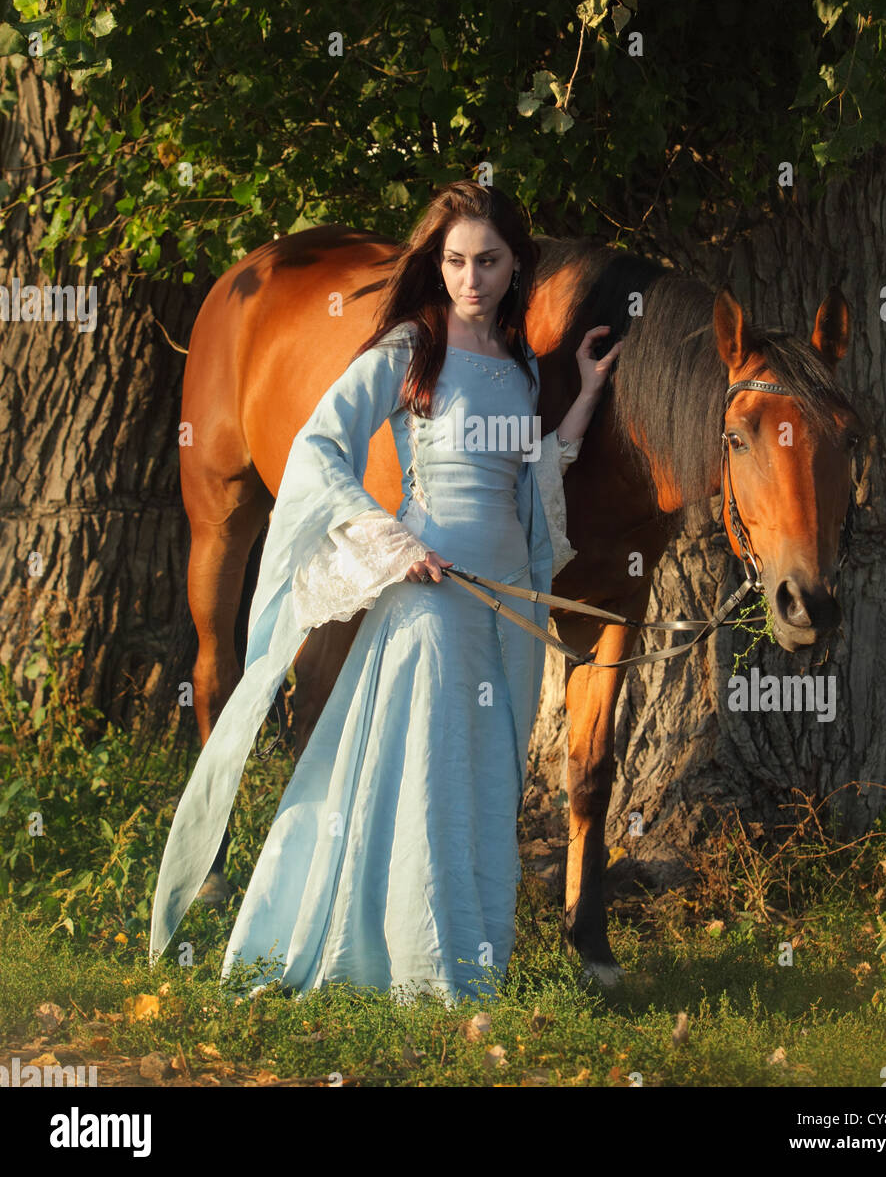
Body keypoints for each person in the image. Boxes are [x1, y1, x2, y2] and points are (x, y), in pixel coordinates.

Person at [149, 179, 620, 1005]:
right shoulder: (411, 349)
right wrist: (391, 541)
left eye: (489, 261)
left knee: (484, 772)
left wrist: (580, 395)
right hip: (431, 594)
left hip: (504, 604)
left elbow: (530, 477)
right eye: (455, 261)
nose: (470, 278)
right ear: (437, 265)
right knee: (431, 771)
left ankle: (472, 958)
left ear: (517, 266)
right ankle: (422, 970)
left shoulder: (517, 367)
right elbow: (319, 448)